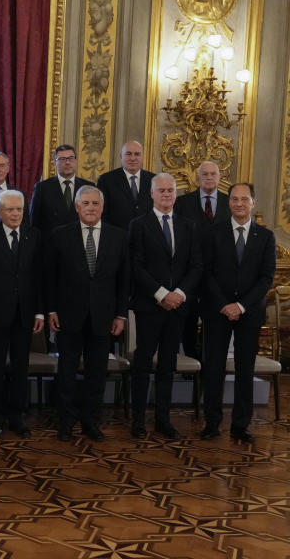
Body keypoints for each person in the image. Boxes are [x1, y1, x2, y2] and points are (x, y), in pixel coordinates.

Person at [46, 186, 129, 442]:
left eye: (95, 203)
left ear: (102, 207)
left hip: (103, 317)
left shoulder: (119, 236)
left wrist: (120, 315)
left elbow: (124, 280)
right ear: (77, 207)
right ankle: (66, 422)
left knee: (97, 373)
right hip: (69, 315)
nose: (91, 207)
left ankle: (91, 421)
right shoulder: (60, 235)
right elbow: (50, 278)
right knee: (67, 371)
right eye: (86, 203)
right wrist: (51, 310)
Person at [128, 172, 202, 440]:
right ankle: (137, 421)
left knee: (167, 366)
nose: (167, 195)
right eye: (162, 191)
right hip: (149, 306)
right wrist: (161, 294)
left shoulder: (188, 225)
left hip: (178, 307)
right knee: (142, 364)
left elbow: (196, 265)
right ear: (151, 193)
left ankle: (162, 419)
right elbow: (135, 266)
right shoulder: (138, 225)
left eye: (171, 191)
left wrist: (179, 294)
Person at [200, 183, 275, 444]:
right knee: (213, 369)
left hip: (249, 313)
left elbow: (266, 279)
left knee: (245, 370)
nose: (239, 203)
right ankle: (211, 423)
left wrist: (241, 306)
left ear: (253, 203)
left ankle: (240, 426)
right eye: (234, 199)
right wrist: (224, 304)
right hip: (216, 312)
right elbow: (206, 272)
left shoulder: (266, 237)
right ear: (228, 203)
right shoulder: (213, 233)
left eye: (244, 199)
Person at [0, 189, 43, 440]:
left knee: (20, 367)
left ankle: (17, 416)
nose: (15, 214)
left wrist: (40, 313)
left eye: (19, 209)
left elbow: (39, 278)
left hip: (24, 314)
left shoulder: (35, 236)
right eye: (10, 209)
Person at [174, 160, 230, 360]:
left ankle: (210, 368)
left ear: (219, 177)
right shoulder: (182, 203)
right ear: (197, 178)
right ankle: (190, 365)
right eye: (204, 174)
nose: (208, 177)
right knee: (187, 323)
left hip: (218, 277)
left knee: (215, 325)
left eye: (213, 174)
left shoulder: (229, 202)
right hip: (190, 275)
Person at [29, 144, 92, 236]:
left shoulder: (88, 186)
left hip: (80, 242)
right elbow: (34, 222)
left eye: (71, 158)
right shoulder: (42, 188)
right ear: (54, 163)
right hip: (51, 245)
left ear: (76, 161)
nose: (67, 162)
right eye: (62, 159)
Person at [96, 141, 154, 230]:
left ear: (142, 157)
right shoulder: (106, 180)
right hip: (117, 237)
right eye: (128, 154)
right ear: (121, 156)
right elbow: (102, 213)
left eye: (137, 154)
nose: (133, 158)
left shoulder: (154, 180)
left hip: (147, 237)